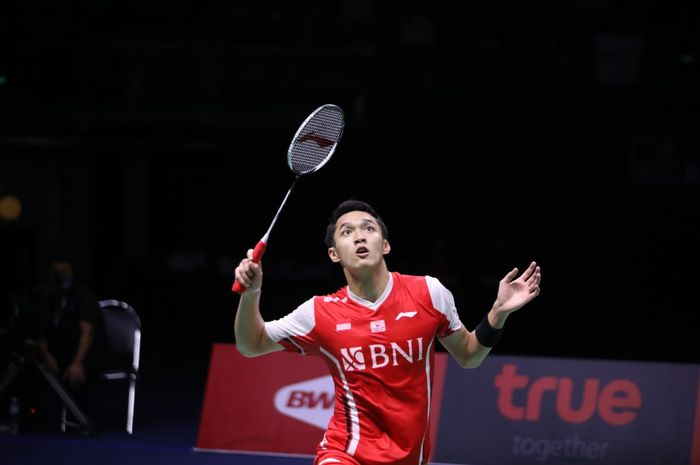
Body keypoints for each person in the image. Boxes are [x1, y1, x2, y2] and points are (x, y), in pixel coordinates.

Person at [233, 199, 541, 465]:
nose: (358, 237)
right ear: (334, 254)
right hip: (345, 451)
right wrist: (252, 293)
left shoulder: (428, 293)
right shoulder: (319, 312)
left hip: (409, 456)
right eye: (346, 232)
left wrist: (497, 314)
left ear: (385, 244)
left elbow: (469, 356)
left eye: (368, 228)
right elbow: (252, 344)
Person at [31, 257, 101, 430]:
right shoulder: (47, 295)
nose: (61, 277)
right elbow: (39, 328)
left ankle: (79, 419)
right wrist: (46, 355)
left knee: (76, 374)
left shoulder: (83, 296)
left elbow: (88, 333)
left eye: (65, 272)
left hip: (80, 353)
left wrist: (77, 363)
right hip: (53, 353)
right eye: (57, 273)